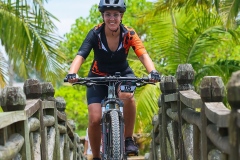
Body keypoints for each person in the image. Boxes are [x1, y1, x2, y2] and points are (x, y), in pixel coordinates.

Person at [66, 0, 161, 159]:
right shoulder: (95, 33)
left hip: (123, 74)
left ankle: (128, 139)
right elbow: (81, 55)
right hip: (97, 77)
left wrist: (153, 72)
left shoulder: (129, 34)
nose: (112, 18)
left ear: (121, 16)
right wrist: (72, 73)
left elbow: (143, 54)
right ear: (103, 16)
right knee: (95, 118)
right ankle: (96, 156)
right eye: (108, 14)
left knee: (127, 96)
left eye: (115, 14)